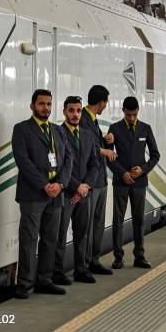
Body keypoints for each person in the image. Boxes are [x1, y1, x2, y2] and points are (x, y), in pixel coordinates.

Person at [12, 89, 73, 299]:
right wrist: (44, 185)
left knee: (50, 239)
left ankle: (44, 280)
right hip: (33, 195)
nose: (45, 108)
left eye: (48, 104)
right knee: (29, 240)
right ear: (32, 106)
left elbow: (67, 160)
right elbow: (23, 161)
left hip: (56, 194)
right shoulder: (21, 130)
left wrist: (61, 184)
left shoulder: (58, 131)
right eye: (41, 104)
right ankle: (25, 284)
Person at [107, 96, 160, 269]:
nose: (131, 118)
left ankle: (140, 256)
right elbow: (109, 156)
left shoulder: (145, 128)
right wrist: (122, 173)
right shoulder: (114, 129)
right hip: (121, 182)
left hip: (139, 183)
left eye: (134, 115)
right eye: (129, 114)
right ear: (123, 111)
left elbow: (155, 155)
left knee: (139, 220)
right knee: (118, 220)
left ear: (138, 112)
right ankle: (118, 258)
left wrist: (143, 169)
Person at [53, 96, 100, 286]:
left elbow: (95, 164)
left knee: (82, 233)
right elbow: (59, 166)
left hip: (84, 194)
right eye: (71, 110)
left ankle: (81, 269)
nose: (75, 114)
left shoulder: (88, 135)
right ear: (64, 111)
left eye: (78, 110)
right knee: (60, 234)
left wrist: (85, 186)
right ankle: (57, 272)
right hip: (65, 193)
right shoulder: (57, 133)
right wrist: (75, 186)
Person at [80, 85, 116, 276]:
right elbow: (86, 147)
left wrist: (106, 139)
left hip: (100, 179)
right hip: (90, 180)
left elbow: (94, 141)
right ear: (101, 102)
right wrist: (105, 150)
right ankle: (85, 264)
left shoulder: (92, 120)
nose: (106, 105)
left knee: (98, 223)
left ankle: (94, 259)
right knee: (88, 224)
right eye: (106, 102)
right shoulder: (84, 119)